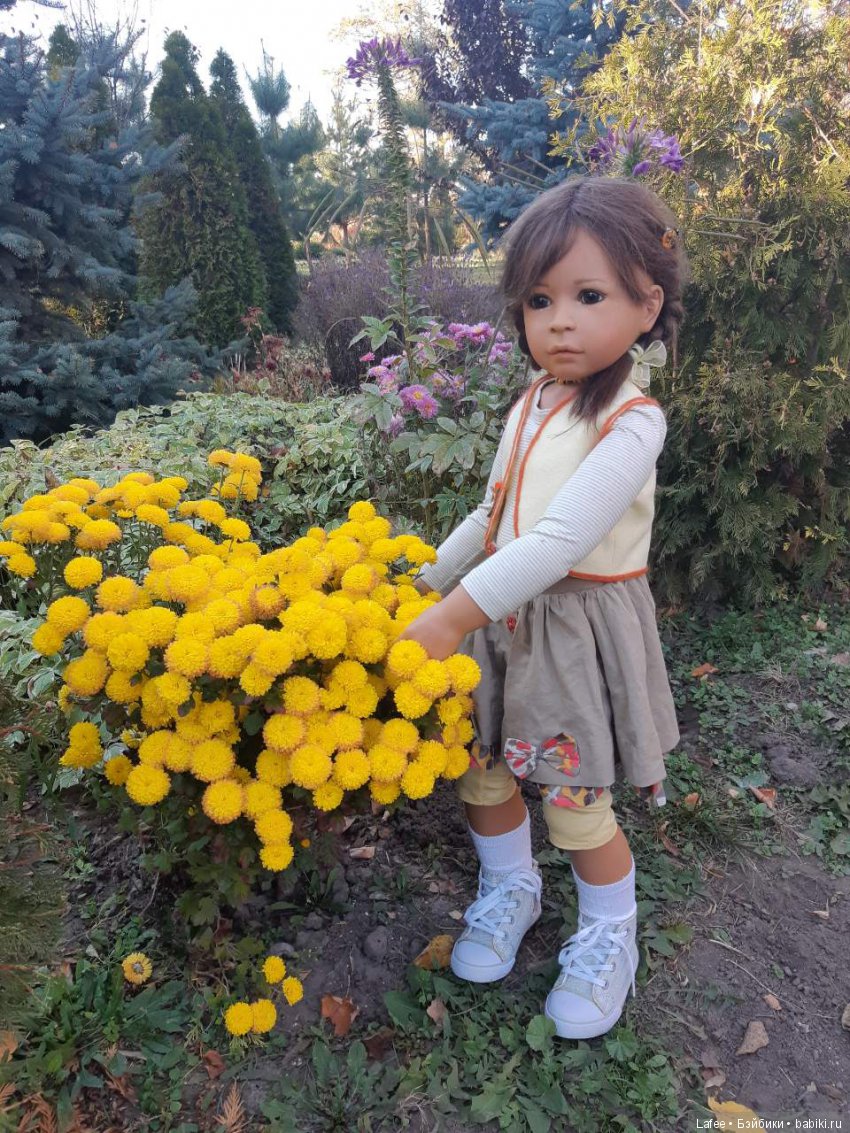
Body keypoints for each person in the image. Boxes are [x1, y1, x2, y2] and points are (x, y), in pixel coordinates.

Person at [400, 175, 687, 1040]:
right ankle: (511, 886)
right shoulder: (530, 402)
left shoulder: (634, 422)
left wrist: (450, 616)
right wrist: (425, 581)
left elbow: (561, 539)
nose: (560, 321)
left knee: (574, 799)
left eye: (589, 296)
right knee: (479, 767)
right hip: (498, 616)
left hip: (573, 630)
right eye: (539, 299)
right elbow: (492, 513)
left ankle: (609, 934)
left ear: (647, 305)